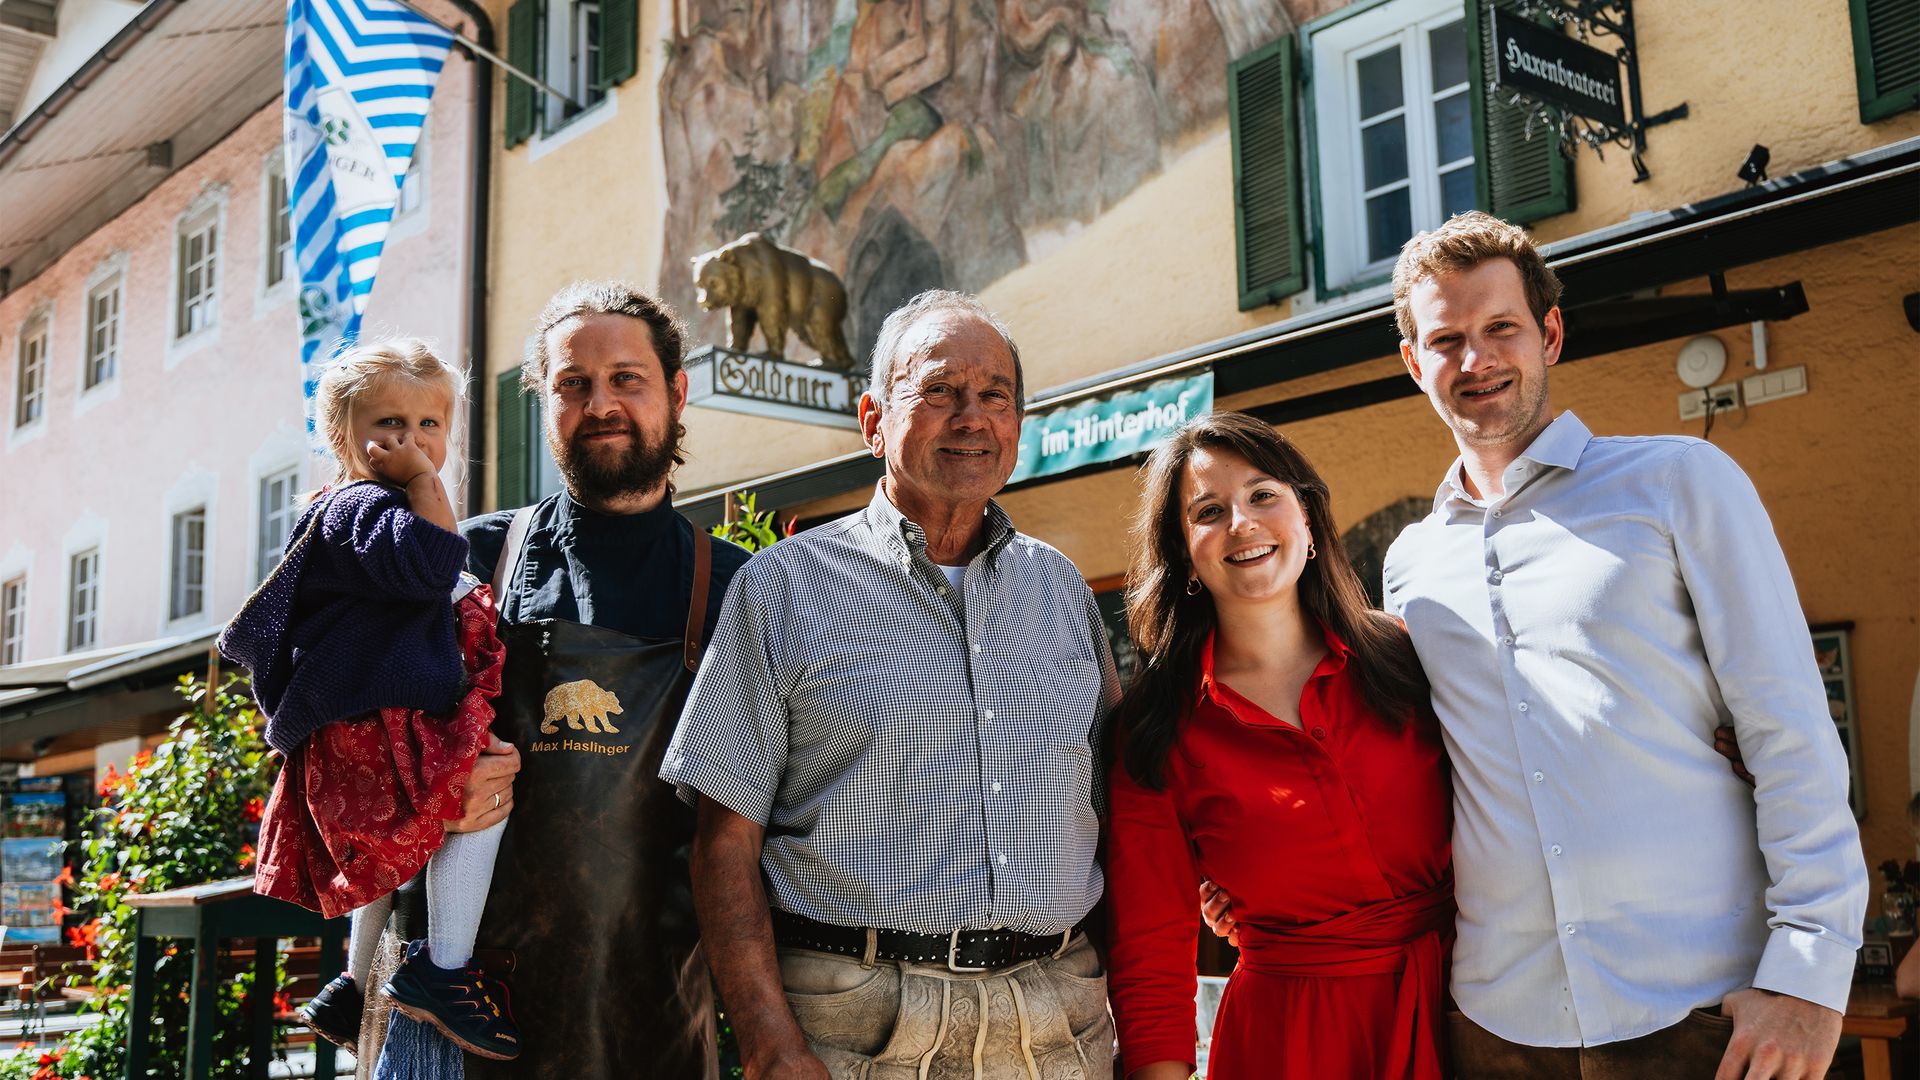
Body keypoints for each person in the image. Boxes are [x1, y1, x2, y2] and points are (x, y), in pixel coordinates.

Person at [1382, 211, 1866, 1077]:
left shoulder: (1682, 481)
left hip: (1700, 1007)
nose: (1477, 359)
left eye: (1502, 328)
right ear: (1416, 363)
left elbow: (1789, 728)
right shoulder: (1409, 565)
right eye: (1447, 339)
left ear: (1551, 333)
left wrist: (1810, 977)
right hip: (1498, 1023)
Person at [661, 290, 1118, 1079]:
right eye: (938, 390)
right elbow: (722, 843)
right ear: (873, 420)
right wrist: (771, 1045)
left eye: (994, 397)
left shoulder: (1063, 590)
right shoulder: (783, 588)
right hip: (856, 1028)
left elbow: (1125, 815)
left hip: (1058, 1023)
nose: (971, 416)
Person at [452, 281, 753, 1076]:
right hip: (474, 1009)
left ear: (676, 395)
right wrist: (430, 791)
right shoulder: (474, 563)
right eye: (573, 383)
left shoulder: (737, 587)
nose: (601, 403)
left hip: (659, 1011)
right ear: (543, 404)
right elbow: (346, 725)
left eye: (627, 378)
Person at [1104, 413, 1450, 1079]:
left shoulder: (1410, 659)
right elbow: (1151, 948)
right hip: (1293, 1042)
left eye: (1264, 494)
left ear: (1309, 520)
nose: (1243, 523)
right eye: (1209, 510)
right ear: (1185, 555)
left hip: (1468, 1003)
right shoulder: (1156, 727)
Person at [219, 339, 520, 1062]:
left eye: (429, 427)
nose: (411, 442)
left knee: (395, 845)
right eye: (389, 424)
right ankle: (444, 970)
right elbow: (429, 562)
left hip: (359, 719)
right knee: (480, 799)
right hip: (381, 718)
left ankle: (352, 982)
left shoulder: (350, 513)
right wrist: (425, 483)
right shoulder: (361, 504)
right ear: (341, 437)